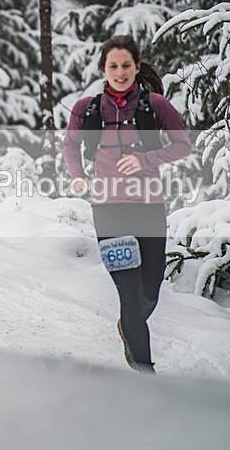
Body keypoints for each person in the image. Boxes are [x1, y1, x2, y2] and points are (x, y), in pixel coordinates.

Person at [62, 34, 191, 373]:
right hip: (107, 210)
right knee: (130, 295)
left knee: (150, 291)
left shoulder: (155, 106)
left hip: (149, 209)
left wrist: (147, 159)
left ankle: (128, 329)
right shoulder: (87, 108)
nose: (120, 72)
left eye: (126, 65)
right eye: (113, 66)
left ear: (136, 67)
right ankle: (144, 373)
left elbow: (183, 145)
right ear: (103, 69)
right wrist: (77, 175)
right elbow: (70, 146)